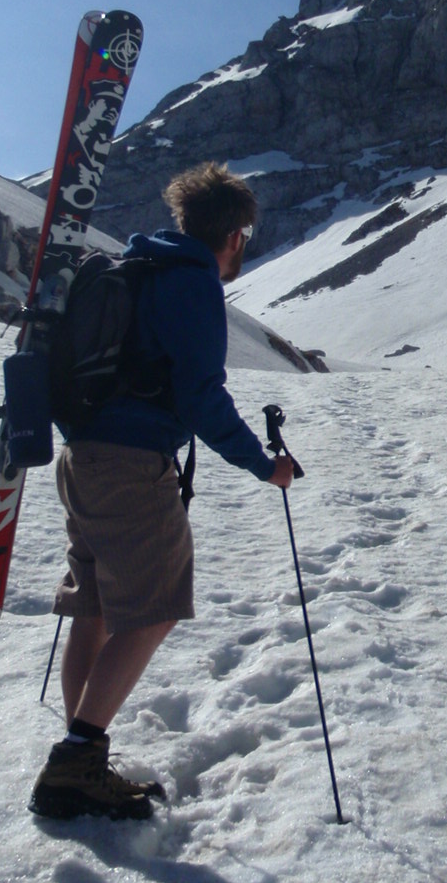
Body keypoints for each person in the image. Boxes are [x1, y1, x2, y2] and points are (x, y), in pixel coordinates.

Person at [29, 161, 294, 821]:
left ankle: (79, 754)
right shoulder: (190, 284)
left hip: (81, 457)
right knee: (152, 609)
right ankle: (74, 765)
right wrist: (265, 465)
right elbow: (202, 396)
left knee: (94, 607)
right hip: (130, 467)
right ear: (235, 234)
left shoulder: (137, 267)